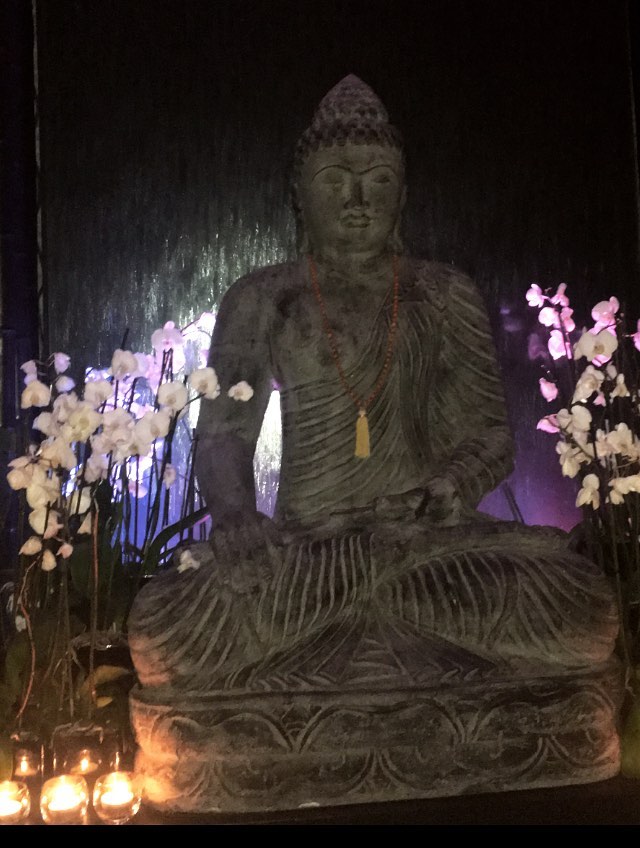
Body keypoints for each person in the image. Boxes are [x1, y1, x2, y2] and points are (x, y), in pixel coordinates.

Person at [129, 75, 617, 695]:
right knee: (163, 630)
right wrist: (236, 517)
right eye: (334, 180)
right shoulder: (262, 297)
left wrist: (450, 486)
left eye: (379, 181)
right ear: (300, 195)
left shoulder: (443, 293)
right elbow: (223, 434)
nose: (357, 199)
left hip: (426, 548)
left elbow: (490, 437)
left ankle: (328, 664)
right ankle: (420, 663)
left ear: (403, 194)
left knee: (582, 606)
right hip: (307, 552)